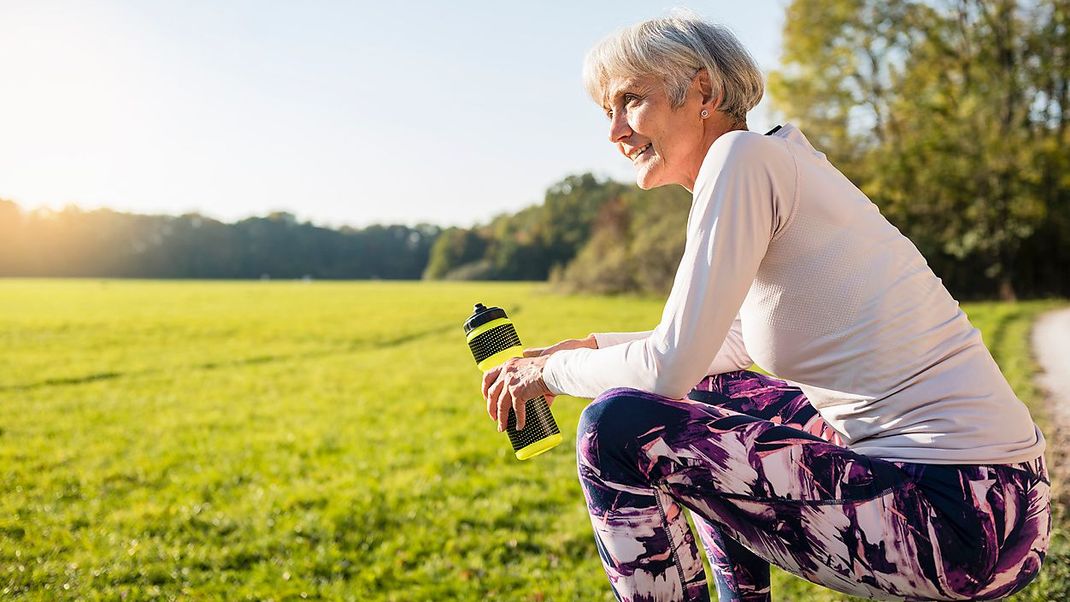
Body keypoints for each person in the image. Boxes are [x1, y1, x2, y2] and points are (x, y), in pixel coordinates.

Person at [480, 12, 1050, 602]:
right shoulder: (778, 161)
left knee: (615, 428)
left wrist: (545, 372)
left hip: (957, 522)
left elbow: (667, 366)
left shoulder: (739, 161)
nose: (615, 132)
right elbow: (723, 347)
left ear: (703, 89)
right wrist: (587, 348)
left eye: (630, 100)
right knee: (707, 393)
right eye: (607, 111)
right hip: (1005, 502)